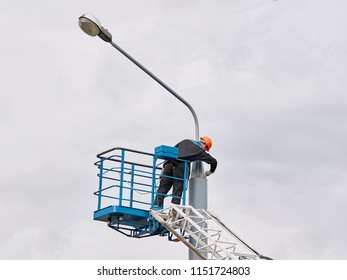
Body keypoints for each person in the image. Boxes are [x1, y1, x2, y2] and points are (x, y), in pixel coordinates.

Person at [154, 136, 217, 208]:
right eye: (206, 149)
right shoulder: (200, 151)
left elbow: (172, 151)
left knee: (162, 189)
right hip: (180, 166)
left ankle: (156, 207)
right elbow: (214, 161)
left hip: (168, 164)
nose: (205, 150)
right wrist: (210, 171)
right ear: (205, 145)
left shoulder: (186, 141)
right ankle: (174, 211)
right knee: (177, 191)